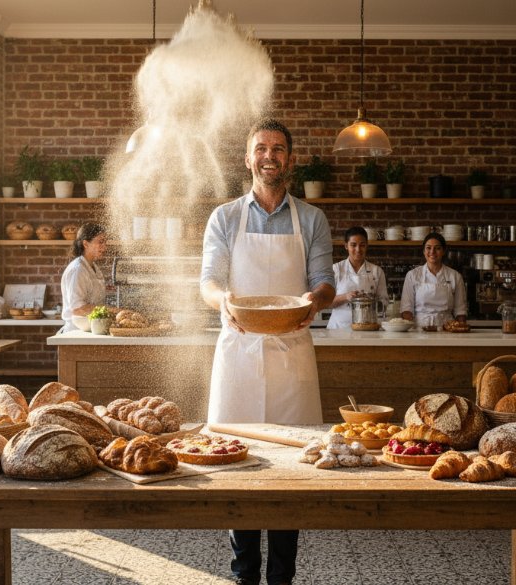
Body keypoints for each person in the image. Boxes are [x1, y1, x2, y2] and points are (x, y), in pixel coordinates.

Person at [200, 118, 334, 585]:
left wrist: (314, 302)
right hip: (239, 350)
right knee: (238, 461)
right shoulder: (225, 217)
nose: (269, 156)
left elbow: (324, 282)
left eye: (278, 149)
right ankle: (244, 575)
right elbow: (210, 283)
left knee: (292, 469)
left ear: (290, 159)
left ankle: (282, 577)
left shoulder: (312, 219)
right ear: (248, 157)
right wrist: (226, 304)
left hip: (292, 350)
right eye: (261, 148)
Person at [400, 232, 468, 328]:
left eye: (437, 248)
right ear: (424, 251)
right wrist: (410, 332)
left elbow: (460, 311)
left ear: (443, 251)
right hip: (419, 330)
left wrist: (460, 331)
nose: (432, 252)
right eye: (428, 248)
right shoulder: (412, 275)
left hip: (447, 329)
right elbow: (406, 310)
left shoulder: (455, 276)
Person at [326, 226, 389, 329]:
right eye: (353, 245)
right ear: (346, 246)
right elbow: (326, 303)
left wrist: (370, 300)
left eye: (362, 245)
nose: (358, 249)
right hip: (338, 329)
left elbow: (384, 303)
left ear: (367, 246)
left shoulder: (376, 271)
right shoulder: (336, 269)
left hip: (367, 328)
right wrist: (346, 297)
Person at [59, 223, 108, 333]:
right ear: (86, 244)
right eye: (100, 242)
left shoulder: (94, 268)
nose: (105, 246)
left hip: (90, 330)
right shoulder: (77, 269)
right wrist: (111, 310)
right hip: (75, 333)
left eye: (105, 242)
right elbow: (77, 309)